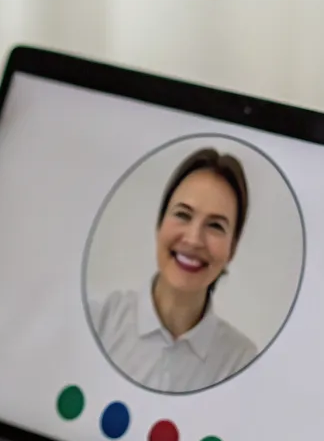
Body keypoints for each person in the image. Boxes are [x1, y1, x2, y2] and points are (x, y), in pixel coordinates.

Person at [90, 148, 262, 393]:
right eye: (183, 214)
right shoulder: (99, 320)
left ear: (232, 249)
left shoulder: (241, 362)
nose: (193, 240)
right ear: (159, 225)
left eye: (215, 226)